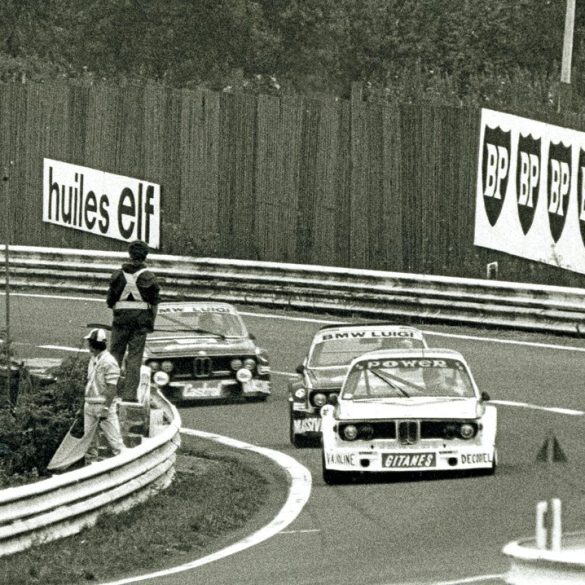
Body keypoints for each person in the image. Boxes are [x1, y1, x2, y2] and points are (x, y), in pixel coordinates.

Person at [106, 240, 161, 400]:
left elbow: (110, 302)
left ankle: (111, 393)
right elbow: (155, 304)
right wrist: (150, 323)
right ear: (145, 256)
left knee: (115, 356)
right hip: (140, 323)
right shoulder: (150, 277)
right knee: (134, 359)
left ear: (129, 254)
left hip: (120, 321)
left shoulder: (117, 275)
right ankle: (129, 396)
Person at [84, 328, 126, 462]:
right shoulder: (93, 359)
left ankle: (123, 466)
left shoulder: (109, 362)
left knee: (115, 442)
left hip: (103, 406)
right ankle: (90, 468)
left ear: (93, 344)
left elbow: (112, 387)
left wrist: (106, 408)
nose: (88, 345)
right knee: (89, 444)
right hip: (90, 405)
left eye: (89, 342)